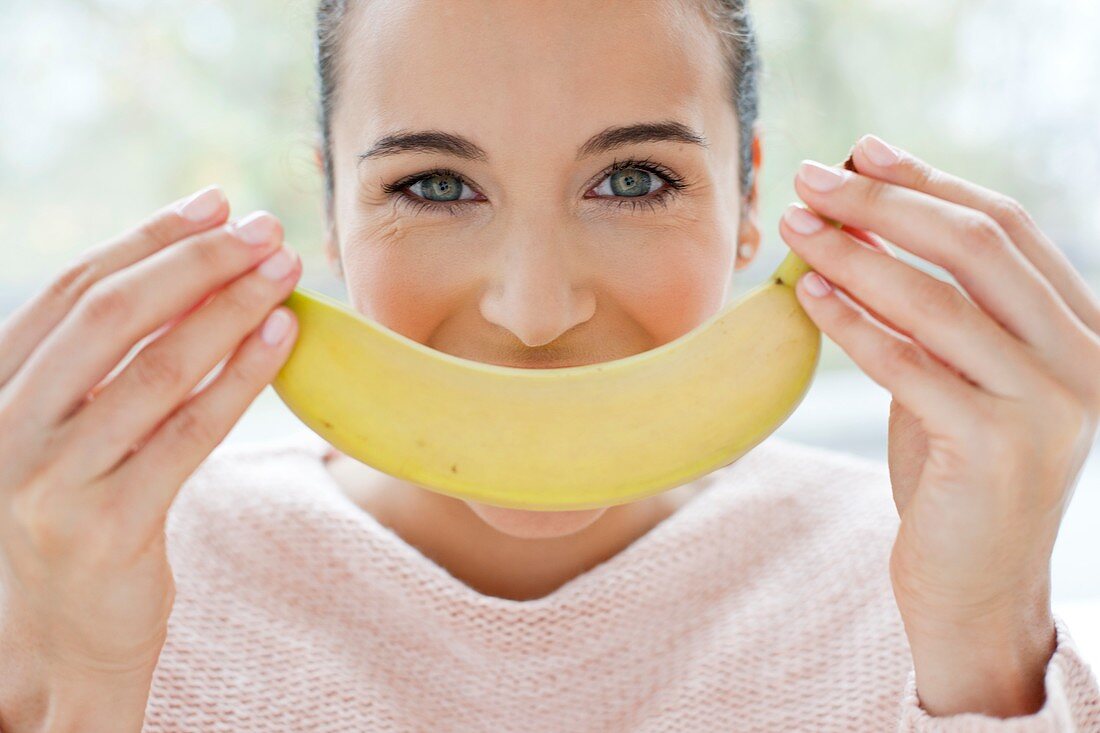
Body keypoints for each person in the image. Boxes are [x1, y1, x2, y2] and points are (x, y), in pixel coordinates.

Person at [2, 0, 1099, 730]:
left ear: (747, 202)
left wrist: (984, 646)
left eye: (630, 179)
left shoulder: (936, 564)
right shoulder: (105, 567)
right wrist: (77, 687)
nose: (533, 312)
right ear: (332, 209)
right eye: (433, 185)